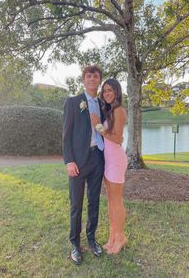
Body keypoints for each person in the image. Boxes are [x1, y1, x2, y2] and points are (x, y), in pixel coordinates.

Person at [62, 65, 105, 265]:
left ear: (99, 80)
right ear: (83, 80)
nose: (92, 79)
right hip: (78, 161)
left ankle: (92, 239)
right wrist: (69, 160)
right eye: (89, 76)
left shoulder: (103, 104)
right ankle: (75, 245)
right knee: (76, 205)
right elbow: (66, 135)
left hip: (98, 158)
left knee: (94, 202)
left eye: (96, 77)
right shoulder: (73, 102)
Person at [91, 78, 128, 255]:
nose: (106, 93)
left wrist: (99, 127)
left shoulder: (119, 110)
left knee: (116, 201)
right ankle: (113, 236)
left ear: (116, 92)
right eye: (104, 90)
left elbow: (118, 139)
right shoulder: (110, 111)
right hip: (108, 161)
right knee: (111, 202)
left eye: (110, 90)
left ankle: (120, 238)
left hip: (116, 162)